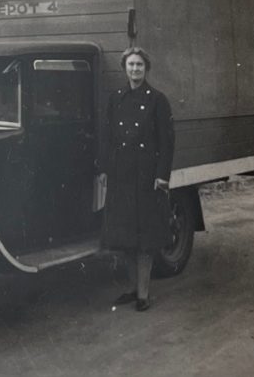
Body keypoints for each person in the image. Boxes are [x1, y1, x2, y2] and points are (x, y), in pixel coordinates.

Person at [98, 46, 175, 312]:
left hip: (146, 178)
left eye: (139, 65)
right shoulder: (116, 98)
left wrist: (162, 177)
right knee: (126, 237)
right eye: (131, 65)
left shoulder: (157, 100)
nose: (135, 70)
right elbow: (108, 138)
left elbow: (166, 142)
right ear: (124, 68)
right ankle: (131, 289)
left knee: (145, 239)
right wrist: (106, 170)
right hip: (122, 177)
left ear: (146, 68)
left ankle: (143, 294)